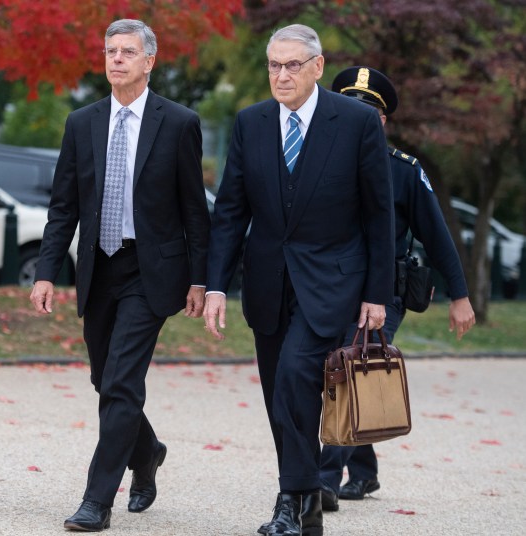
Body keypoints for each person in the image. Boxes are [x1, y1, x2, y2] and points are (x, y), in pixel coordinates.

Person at [203, 24, 394, 536]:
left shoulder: (355, 122)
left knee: (293, 376)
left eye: (291, 65)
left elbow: (380, 215)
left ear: (316, 65)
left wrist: (378, 293)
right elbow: (230, 211)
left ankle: (288, 501)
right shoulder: (251, 122)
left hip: (332, 283)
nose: (280, 75)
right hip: (268, 283)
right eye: (273, 65)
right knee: (279, 396)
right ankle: (309, 499)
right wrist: (217, 285)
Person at [29, 18, 210, 532]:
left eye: (128, 52)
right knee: (103, 379)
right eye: (111, 51)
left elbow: (195, 211)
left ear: (149, 61)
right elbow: (63, 207)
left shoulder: (178, 123)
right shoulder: (81, 122)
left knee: (123, 382)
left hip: (151, 273)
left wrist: (200, 278)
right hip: (98, 268)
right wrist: (45, 272)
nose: (117, 59)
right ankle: (148, 451)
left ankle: (96, 500)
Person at [319, 66, 476, 511]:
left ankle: (325, 479)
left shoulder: (402, 170)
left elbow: (437, 233)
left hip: (384, 287)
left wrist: (459, 295)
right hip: (331, 282)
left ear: (382, 122)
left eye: (367, 113)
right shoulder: (320, 162)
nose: (357, 118)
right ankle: (363, 472)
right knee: (349, 370)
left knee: (347, 369)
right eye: (348, 109)